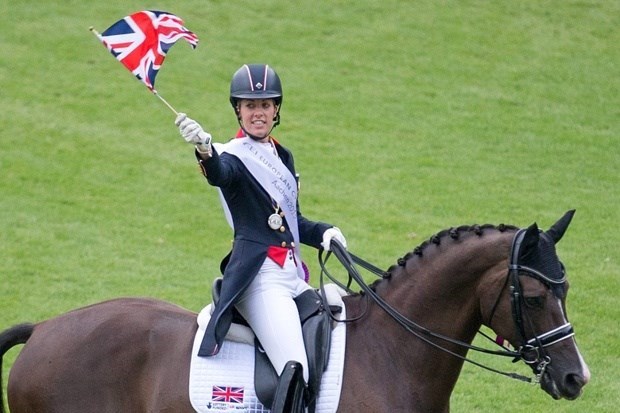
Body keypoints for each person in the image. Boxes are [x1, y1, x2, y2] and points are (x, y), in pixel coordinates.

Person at [174, 63, 347, 412]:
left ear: (276, 109)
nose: (258, 113)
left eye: (265, 105)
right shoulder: (234, 157)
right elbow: (220, 174)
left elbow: (292, 223)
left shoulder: (282, 156)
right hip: (260, 279)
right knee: (294, 366)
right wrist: (206, 151)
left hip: (291, 276)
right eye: (251, 105)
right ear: (238, 109)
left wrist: (324, 232)